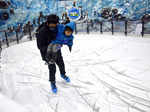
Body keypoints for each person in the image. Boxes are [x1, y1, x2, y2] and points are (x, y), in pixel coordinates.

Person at [36, 14, 70, 93]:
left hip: (56, 50)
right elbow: (40, 46)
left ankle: (63, 74)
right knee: (52, 68)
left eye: (54, 24)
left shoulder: (58, 29)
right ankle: (52, 82)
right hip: (47, 53)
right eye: (51, 24)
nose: (52, 25)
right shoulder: (42, 32)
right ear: (47, 23)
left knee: (61, 63)